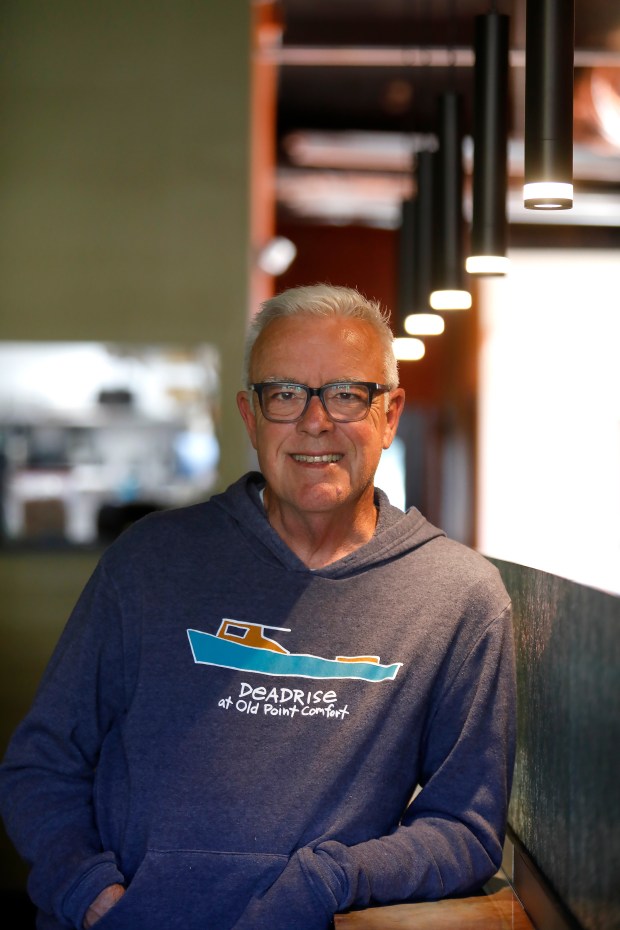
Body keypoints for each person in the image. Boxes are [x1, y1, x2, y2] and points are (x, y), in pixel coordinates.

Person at [0, 284, 516, 930]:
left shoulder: (459, 598)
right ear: (250, 416)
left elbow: (464, 828)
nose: (315, 421)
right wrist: (92, 896)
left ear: (390, 416)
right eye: (285, 394)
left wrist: (331, 880)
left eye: (347, 394)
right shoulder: (148, 564)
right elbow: (41, 766)